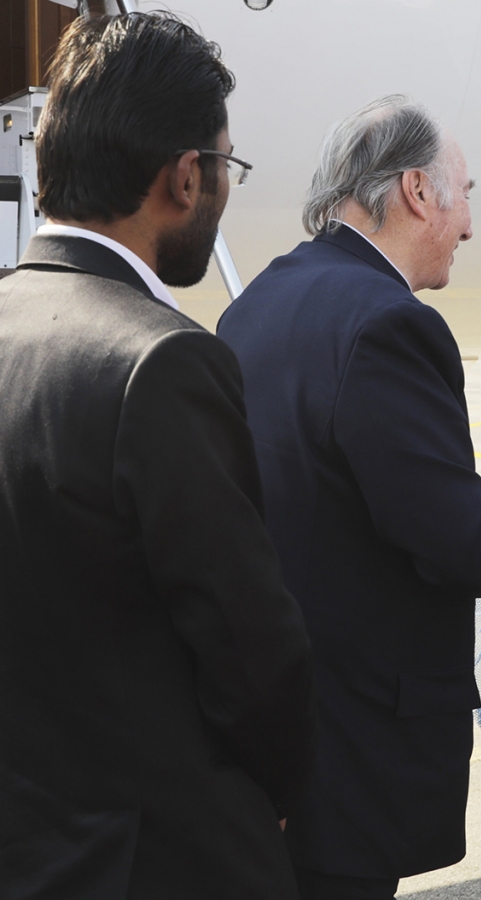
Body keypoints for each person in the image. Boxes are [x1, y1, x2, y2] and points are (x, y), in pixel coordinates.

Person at [0, 13, 316, 899]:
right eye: (226, 167)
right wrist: (279, 794)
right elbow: (252, 645)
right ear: (186, 177)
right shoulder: (161, 359)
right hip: (155, 854)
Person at [218, 96, 481, 900]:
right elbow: (461, 540)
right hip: (350, 749)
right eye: (466, 196)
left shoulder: (257, 302)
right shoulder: (390, 322)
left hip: (269, 725)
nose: (469, 228)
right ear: (421, 193)